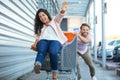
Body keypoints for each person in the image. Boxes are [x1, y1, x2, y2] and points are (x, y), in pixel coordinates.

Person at [31, 2, 68, 80]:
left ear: (47, 15)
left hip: (55, 41)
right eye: (40, 17)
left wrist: (62, 11)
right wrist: (34, 44)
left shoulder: (54, 21)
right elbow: (38, 37)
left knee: (53, 51)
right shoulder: (40, 27)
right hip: (43, 41)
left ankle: (54, 73)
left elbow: (59, 16)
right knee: (41, 49)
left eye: (43, 15)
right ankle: (37, 64)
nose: (42, 17)